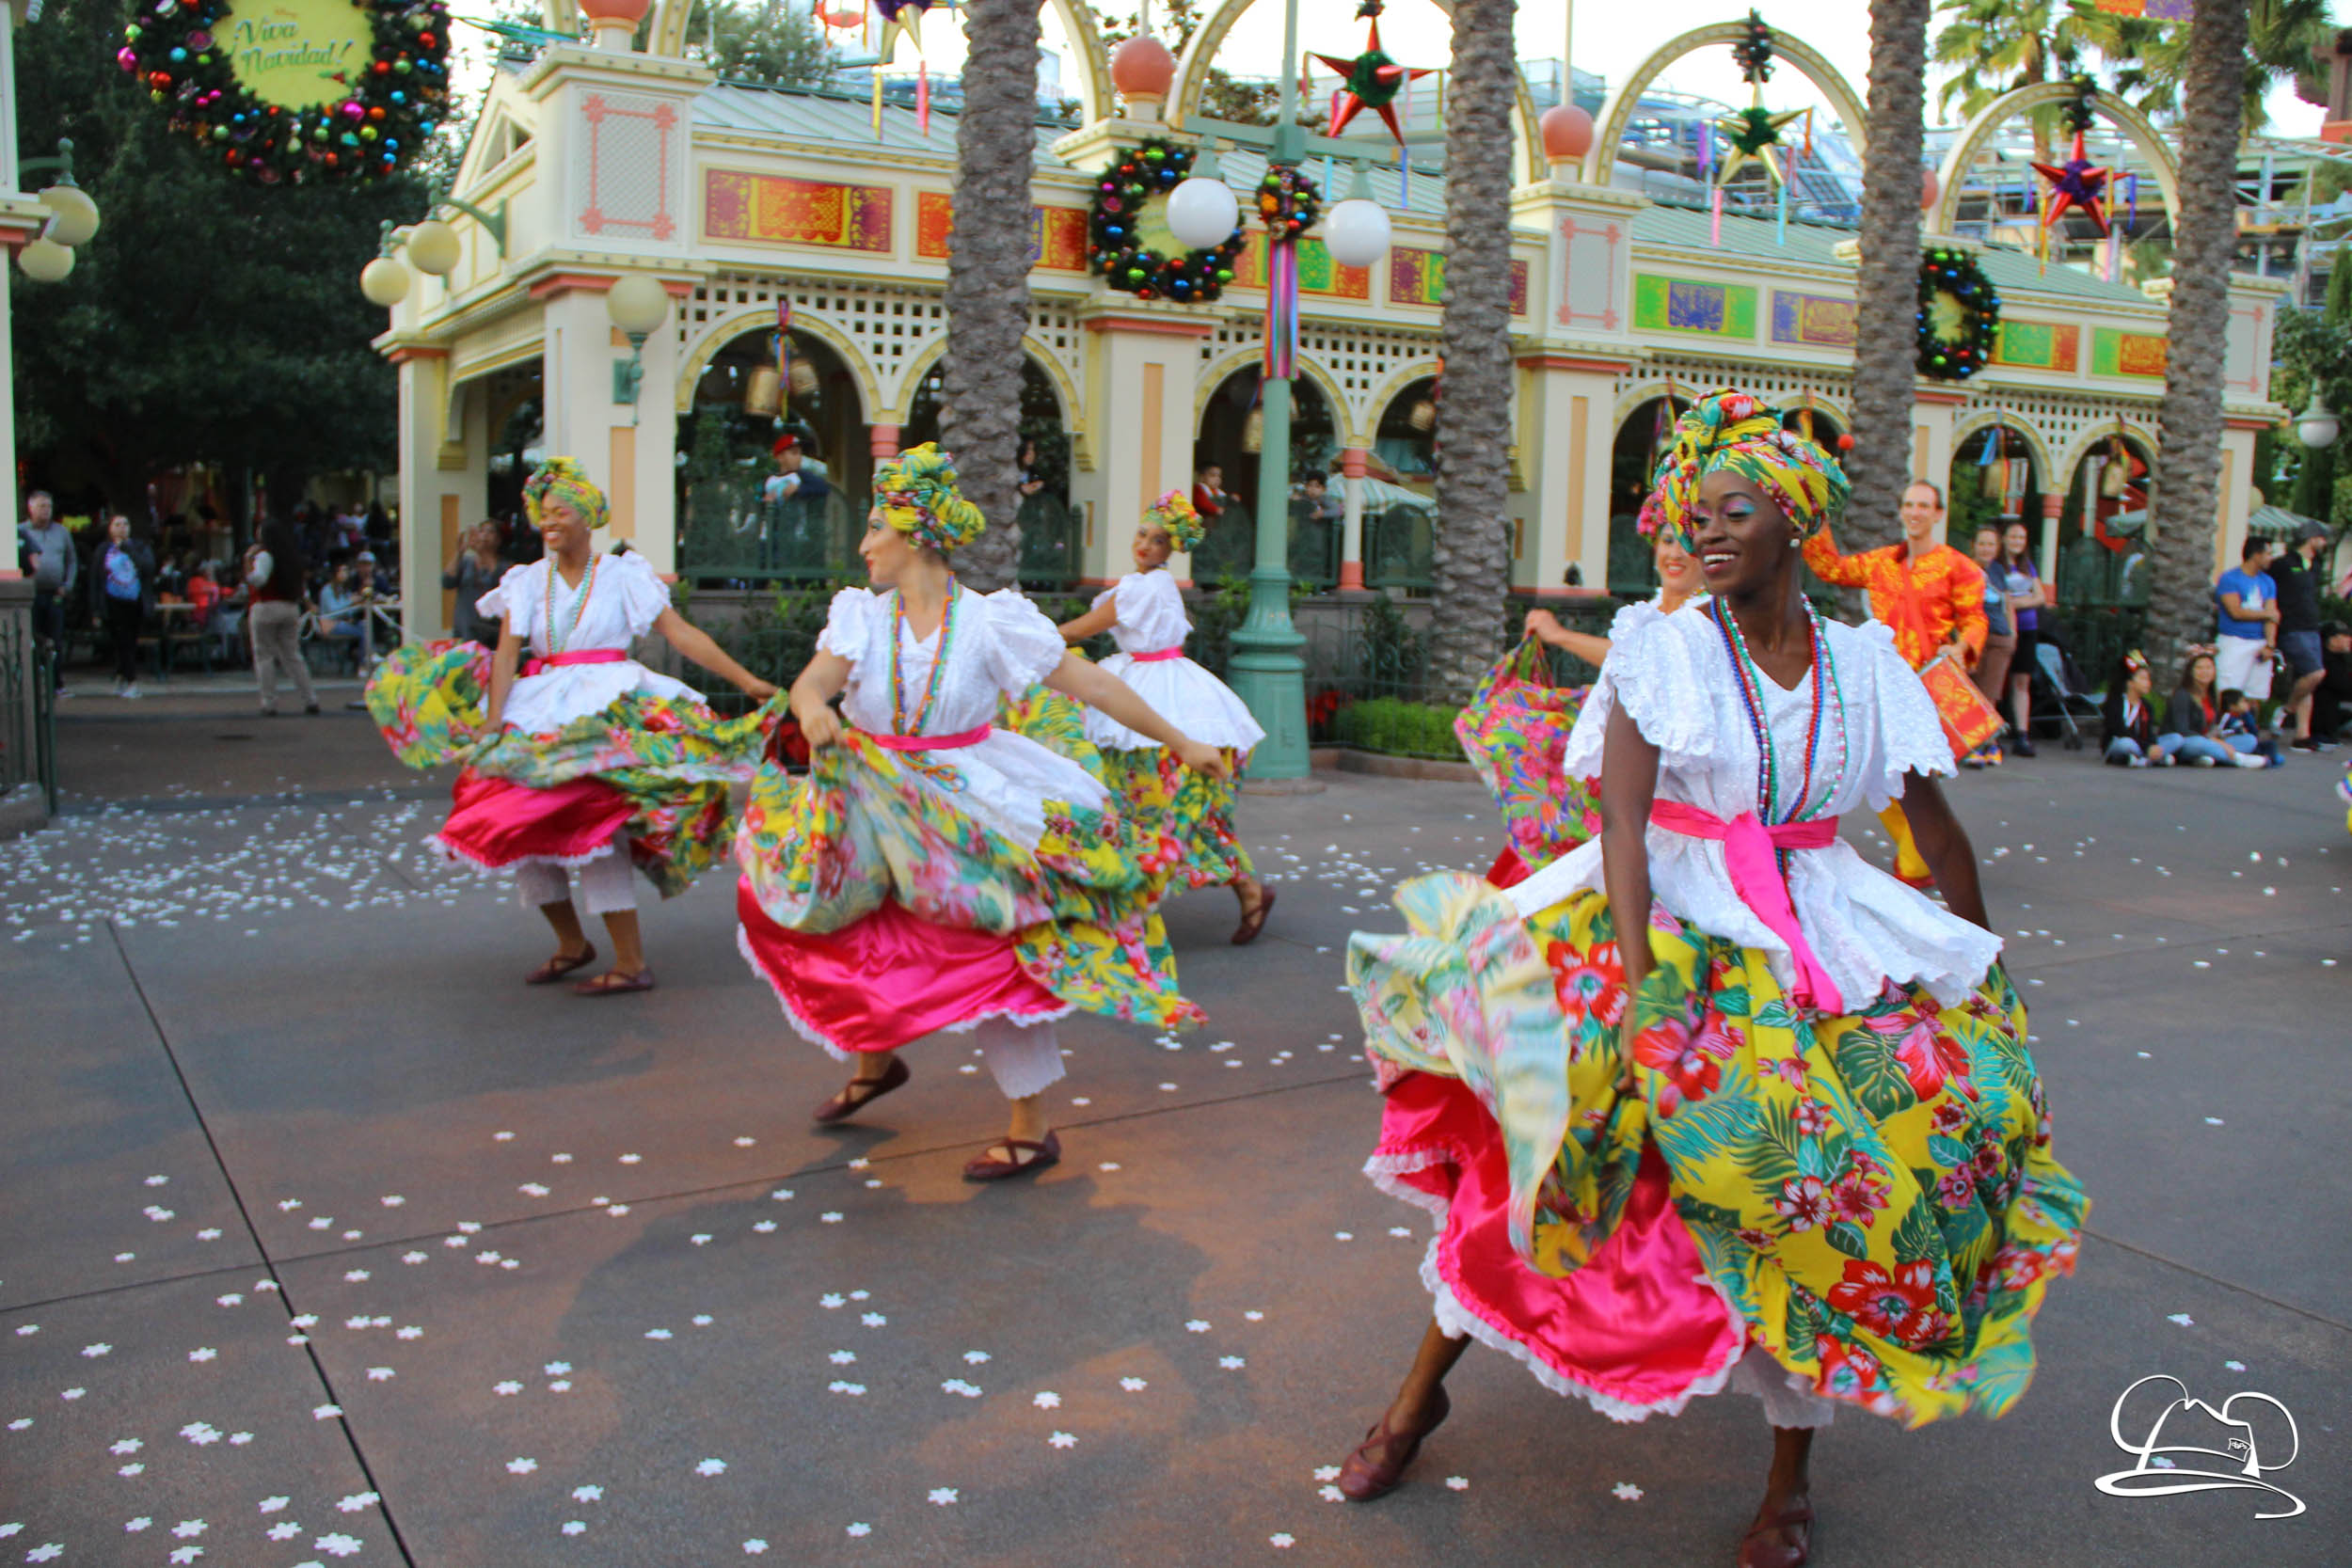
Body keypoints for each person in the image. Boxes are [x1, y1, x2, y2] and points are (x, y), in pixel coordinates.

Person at [1333, 392, 2086, 1568]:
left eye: (1735, 510)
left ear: (1796, 519)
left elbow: (1930, 831)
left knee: (1819, 1189)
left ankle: (1788, 1476)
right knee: (1560, 1175)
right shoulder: (1665, 646)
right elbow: (1623, 826)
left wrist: (1984, 978)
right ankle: (1417, 1393)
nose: (1709, 530)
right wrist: (1646, 993)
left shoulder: (1864, 661)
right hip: (1669, 922)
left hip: (1817, 932)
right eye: (1697, 512)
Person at [737, 445, 1228, 1181]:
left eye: (875, 528)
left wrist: (1182, 738)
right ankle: (876, 1060)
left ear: (914, 532)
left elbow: (1089, 684)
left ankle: (1032, 1126)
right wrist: (812, 714)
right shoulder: (860, 618)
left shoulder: (994, 622)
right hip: (879, 796)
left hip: (974, 795)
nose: (864, 544)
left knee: (996, 949)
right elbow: (811, 686)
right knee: (862, 926)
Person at [366, 457, 780, 994]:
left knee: (596, 828)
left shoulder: (623, 574)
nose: (549, 521)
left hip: (611, 705)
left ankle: (630, 962)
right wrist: (493, 722)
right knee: (519, 822)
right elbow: (506, 653)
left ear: (587, 517)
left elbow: (680, 634)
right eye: (543, 513)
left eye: (560, 511)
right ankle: (571, 943)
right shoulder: (525, 581)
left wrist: (747, 681)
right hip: (539, 708)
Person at [1056, 489, 1273, 942]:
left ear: (1170, 550)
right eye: (1142, 534)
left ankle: (1135, 908)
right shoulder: (1145, 585)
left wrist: (1041, 637)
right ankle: (1245, 889)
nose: (1145, 545)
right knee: (1160, 804)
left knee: (1162, 804)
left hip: (1161, 689)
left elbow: (1085, 628)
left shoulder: (1145, 585)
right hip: (1150, 680)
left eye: (1157, 541)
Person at [1801, 479, 1986, 887]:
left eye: (1924, 505)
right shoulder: (1884, 562)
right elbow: (1831, 567)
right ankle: (1918, 849)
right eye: (1909, 504)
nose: (1915, 511)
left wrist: (1963, 647)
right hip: (1883, 685)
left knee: (1915, 776)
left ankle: (1921, 858)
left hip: (1927, 686)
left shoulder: (1958, 566)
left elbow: (1975, 617)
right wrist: (1814, 514)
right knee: (1878, 771)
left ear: (1938, 514)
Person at [245, 517, 320, 716]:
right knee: (293, 655)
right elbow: (302, 589)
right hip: (290, 608)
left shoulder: (264, 556)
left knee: (264, 656)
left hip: (265, 607)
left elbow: (258, 580)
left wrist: (248, 564)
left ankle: (269, 702)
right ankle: (310, 698)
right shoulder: (292, 558)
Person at [2271, 521, 2332, 752]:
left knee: (2307, 679)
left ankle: (2302, 735)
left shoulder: (2315, 565)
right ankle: (2287, 709)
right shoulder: (2284, 564)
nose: (2324, 543)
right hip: (2292, 627)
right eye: (2321, 538)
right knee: (2316, 673)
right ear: (2311, 538)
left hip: (2311, 626)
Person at [1992, 521, 2048, 757]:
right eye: (2013, 537)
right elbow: (1998, 599)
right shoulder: (1996, 567)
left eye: (2021, 538)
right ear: (2004, 539)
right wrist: (2021, 600)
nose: (2017, 542)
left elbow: (2040, 597)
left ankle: (2022, 733)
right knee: (1996, 681)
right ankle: (1992, 733)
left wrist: (2014, 602)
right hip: (2003, 630)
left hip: (2028, 627)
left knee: (2021, 681)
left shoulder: (2028, 566)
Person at [2163, 650, 2269, 770]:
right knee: (2199, 743)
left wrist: (2219, 738)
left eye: (2209, 667)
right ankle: (2238, 759)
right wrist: (2215, 742)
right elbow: (2182, 731)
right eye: (2199, 668)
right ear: (2191, 672)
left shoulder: (2211, 695)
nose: (2204, 672)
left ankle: (2205, 757)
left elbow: (2213, 726)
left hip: (2209, 740)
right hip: (2186, 742)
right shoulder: (2182, 695)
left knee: (2249, 740)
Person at [1965, 525, 2017, 767]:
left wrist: (2013, 633)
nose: (1986, 548)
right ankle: (1971, 743)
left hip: (1998, 638)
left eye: (1991, 544)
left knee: (1990, 693)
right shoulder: (1964, 568)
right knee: (1970, 690)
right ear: (1974, 545)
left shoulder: (1998, 571)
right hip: (1973, 639)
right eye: (1982, 543)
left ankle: (1989, 743)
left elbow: (2008, 604)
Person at [89, 515, 155, 699]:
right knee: (120, 642)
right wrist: (95, 609)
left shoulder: (140, 547)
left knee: (129, 642)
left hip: (134, 602)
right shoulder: (103, 550)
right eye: (117, 524)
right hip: (112, 602)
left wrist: (128, 549)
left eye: (126, 524)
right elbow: (95, 578)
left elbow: (148, 568)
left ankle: (128, 679)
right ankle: (126, 677)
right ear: (110, 528)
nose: (122, 528)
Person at [19, 490, 76, 695]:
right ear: (30, 507)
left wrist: (67, 585)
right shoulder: (19, 531)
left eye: (49, 506)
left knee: (55, 640)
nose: (46, 510)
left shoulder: (62, 532)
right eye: (41, 506)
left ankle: (56, 684)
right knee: (31, 639)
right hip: (29, 595)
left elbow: (72, 561)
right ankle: (31, 685)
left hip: (55, 593)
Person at [2212, 536, 2279, 707]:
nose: (2271, 558)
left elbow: (2273, 616)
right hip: (2235, 640)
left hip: (2259, 641)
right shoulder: (2230, 578)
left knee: (2256, 693)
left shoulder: (2268, 581)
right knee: (2227, 689)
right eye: (2268, 553)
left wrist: (2270, 644)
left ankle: (2251, 729)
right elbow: (2235, 612)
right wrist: (2267, 614)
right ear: (2256, 555)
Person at [2101, 651, 2177, 767]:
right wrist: (2147, 748)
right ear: (2130, 683)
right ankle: (2150, 759)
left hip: (2142, 745)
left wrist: (2152, 746)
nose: (2148, 683)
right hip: (2121, 742)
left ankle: (2140, 759)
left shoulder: (2146, 706)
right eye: (2143, 679)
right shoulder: (2115, 703)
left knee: (2176, 738)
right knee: (2126, 743)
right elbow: (2120, 731)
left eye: (2148, 679)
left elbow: (2149, 733)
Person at [443, 521, 507, 646]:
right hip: (464, 632)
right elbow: (447, 582)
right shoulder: (466, 562)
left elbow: (498, 580)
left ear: (499, 540)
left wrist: (483, 552)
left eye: (490, 531)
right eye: (482, 531)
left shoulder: (505, 566)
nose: (484, 535)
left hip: (491, 635)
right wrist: (460, 552)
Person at [2216, 689, 2285, 767]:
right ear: (2232, 706)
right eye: (2243, 701)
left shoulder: (2244, 716)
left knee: (2271, 744)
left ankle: (2268, 759)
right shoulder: (2226, 717)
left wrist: (2248, 717)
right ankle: (2264, 760)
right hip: (2233, 745)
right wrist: (2236, 731)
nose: (2247, 704)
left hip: (2249, 744)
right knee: (2276, 757)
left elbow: (2254, 732)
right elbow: (2219, 733)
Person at [2312, 621, 2352, 743]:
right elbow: (2344, 687)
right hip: (2322, 725)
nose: (2350, 639)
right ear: (2332, 640)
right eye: (2345, 636)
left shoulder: (2339, 659)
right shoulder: (2325, 661)